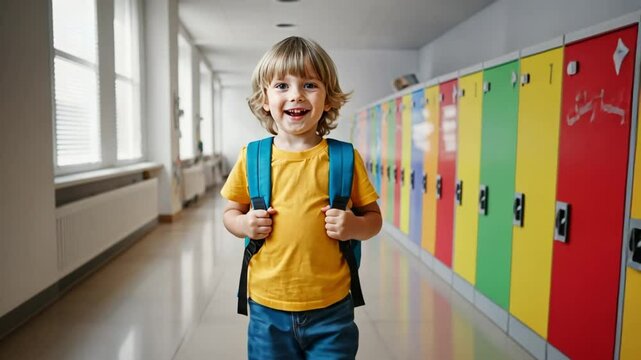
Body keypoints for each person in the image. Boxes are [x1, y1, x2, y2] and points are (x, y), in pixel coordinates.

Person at [221, 36, 382, 360]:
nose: (296, 95)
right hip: (267, 307)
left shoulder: (344, 158)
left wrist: (353, 226)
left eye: (309, 84)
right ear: (264, 99)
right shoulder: (251, 157)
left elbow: (373, 219)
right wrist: (244, 223)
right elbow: (230, 213)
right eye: (281, 85)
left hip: (332, 307)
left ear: (328, 98)